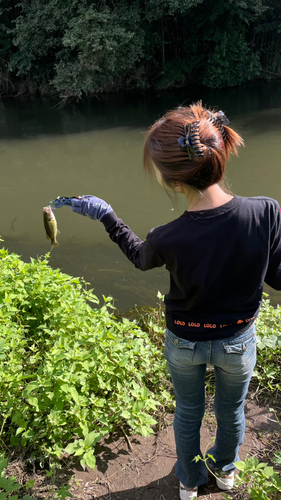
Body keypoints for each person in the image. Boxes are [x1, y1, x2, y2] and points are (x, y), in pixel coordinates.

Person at [52, 102, 281, 500]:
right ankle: (226, 474)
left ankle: (189, 483)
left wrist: (108, 216)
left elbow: (140, 258)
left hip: (185, 341)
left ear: (174, 181)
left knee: (188, 413)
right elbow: (277, 278)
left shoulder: (166, 236)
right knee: (232, 412)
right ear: (220, 152)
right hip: (237, 341)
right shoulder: (266, 213)